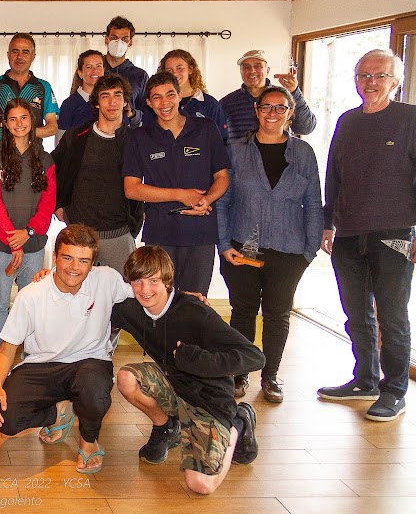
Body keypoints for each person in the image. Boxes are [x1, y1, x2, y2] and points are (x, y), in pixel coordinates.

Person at [113, 245, 264, 495]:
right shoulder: (131, 310)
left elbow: (255, 357)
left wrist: (198, 360)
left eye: (153, 281)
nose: (144, 289)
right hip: (174, 386)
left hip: (207, 399)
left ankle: (239, 422)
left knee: (201, 485)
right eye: (137, 281)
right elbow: (89, 302)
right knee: (127, 378)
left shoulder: (195, 313)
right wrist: (50, 279)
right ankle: (166, 427)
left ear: (167, 281)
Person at [317, 50, 415, 422]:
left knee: (392, 317)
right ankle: (365, 380)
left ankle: (394, 391)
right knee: (356, 315)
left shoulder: (410, 119)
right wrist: (328, 222)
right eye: (363, 75)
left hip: (395, 234)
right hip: (348, 233)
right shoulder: (348, 121)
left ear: (395, 82)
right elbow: (334, 175)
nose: (370, 82)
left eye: (379, 75)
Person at [0, 224, 132, 474]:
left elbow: (146, 294)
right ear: (54, 257)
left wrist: (183, 296)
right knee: (5, 417)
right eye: (67, 258)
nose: (74, 267)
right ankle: (59, 412)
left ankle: (89, 441)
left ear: (92, 263)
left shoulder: (107, 279)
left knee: (94, 391)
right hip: (42, 365)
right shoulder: (31, 295)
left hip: (90, 361)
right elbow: (7, 348)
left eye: (83, 261)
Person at [216, 86, 322, 403]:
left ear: (290, 113)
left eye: (280, 107)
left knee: (278, 314)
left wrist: (309, 251)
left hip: (290, 251)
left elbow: (313, 204)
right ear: (257, 110)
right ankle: (239, 374)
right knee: (243, 311)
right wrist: (223, 244)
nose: (272, 113)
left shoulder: (304, 154)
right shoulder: (236, 151)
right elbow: (222, 202)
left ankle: (271, 376)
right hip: (241, 249)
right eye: (266, 107)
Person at [122, 71, 230, 295]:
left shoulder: (206, 128)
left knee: (194, 302)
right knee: (159, 301)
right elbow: (131, 189)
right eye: (157, 97)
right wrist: (180, 194)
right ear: (149, 103)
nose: (165, 103)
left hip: (201, 232)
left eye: (170, 94)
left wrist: (206, 199)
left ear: (180, 95)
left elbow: (222, 177)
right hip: (160, 233)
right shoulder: (139, 137)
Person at [0, 98, 55, 350]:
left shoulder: (45, 160)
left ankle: (27, 360)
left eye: (24, 118)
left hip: (33, 245)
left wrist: (28, 233)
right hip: (0, 245)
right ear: (4, 123)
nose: (19, 123)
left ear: (32, 121)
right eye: (12, 119)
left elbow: (48, 204)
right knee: (0, 303)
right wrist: (13, 241)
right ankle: (2, 359)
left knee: (29, 304)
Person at [54, 75, 143, 276]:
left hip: (120, 233)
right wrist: (58, 204)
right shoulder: (76, 136)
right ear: (96, 102)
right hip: (80, 233)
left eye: (117, 95)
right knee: (76, 292)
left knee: (125, 291)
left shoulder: (136, 140)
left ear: (125, 101)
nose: (112, 102)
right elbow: (53, 168)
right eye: (105, 96)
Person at [0, 33, 59, 160]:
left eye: (25, 52)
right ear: (8, 55)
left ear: (33, 56)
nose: (19, 56)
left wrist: (24, 131)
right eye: (15, 51)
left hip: (33, 159)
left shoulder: (43, 87)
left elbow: (52, 127)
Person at [220, 50, 316, 143]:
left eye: (258, 66)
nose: (252, 71)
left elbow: (306, 128)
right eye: (246, 67)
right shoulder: (227, 103)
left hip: (278, 153)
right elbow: (218, 138)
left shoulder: (284, 97)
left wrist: (294, 92)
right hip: (237, 154)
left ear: (268, 70)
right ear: (241, 71)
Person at [158, 49, 227, 142]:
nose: (174, 73)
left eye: (179, 68)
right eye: (169, 70)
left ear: (190, 69)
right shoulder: (159, 104)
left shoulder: (210, 104)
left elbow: (221, 140)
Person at [103, 16, 149, 117]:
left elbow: (147, 113)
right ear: (106, 40)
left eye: (124, 39)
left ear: (130, 42)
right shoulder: (92, 70)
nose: (119, 43)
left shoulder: (140, 76)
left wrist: (132, 114)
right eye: (114, 38)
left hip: (127, 126)